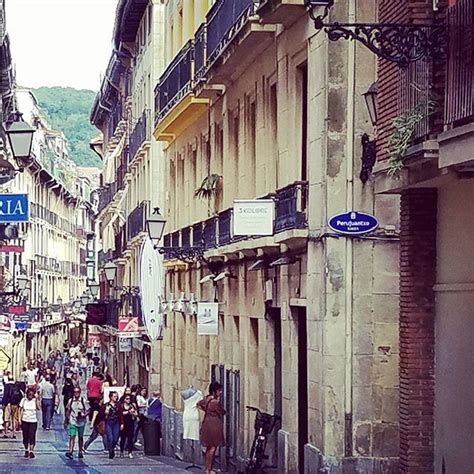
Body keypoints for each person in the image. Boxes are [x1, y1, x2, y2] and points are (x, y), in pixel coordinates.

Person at [198, 382, 226, 474]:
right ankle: (209, 469)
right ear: (215, 391)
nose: (220, 392)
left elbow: (199, 404)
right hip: (214, 425)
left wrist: (207, 410)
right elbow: (222, 412)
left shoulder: (206, 399)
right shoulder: (215, 402)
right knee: (213, 447)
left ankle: (207, 468)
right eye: (219, 390)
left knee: (208, 447)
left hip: (206, 423)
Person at [64, 387, 89, 459]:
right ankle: (70, 451)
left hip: (81, 422)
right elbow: (68, 410)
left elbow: (88, 410)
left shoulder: (83, 401)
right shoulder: (71, 401)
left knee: (80, 437)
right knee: (72, 436)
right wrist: (66, 421)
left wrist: (84, 415)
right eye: (75, 392)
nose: (76, 393)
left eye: (78, 392)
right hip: (73, 420)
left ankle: (80, 451)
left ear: (80, 392)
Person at [19, 388, 40, 459]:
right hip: (25, 420)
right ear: (27, 394)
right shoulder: (24, 400)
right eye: (29, 394)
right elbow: (20, 410)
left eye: (32, 394)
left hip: (33, 421)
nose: (30, 395)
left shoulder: (34, 401)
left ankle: (31, 451)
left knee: (32, 436)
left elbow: (39, 408)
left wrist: (37, 399)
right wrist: (19, 419)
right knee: (25, 436)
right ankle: (26, 450)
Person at [119, 393, 138, 458]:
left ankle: (130, 452)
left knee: (130, 438)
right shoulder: (121, 406)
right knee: (123, 438)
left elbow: (136, 414)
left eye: (129, 399)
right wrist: (128, 412)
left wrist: (133, 413)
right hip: (123, 424)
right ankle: (121, 451)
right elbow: (120, 413)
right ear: (124, 399)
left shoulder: (132, 405)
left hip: (130, 423)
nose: (128, 400)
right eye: (127, 399)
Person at [105, 391, 120, 459]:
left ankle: (112, 448)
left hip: (116, 422)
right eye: (114, 396)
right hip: (109, 422)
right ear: (110, 397)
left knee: (116, 438)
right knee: (110, 438)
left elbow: (121, 415)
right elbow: (101, 415)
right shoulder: (106, 405)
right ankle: (110, 451)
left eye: (116, 396)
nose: (116, 398)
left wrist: (122, 423)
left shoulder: (118, 405)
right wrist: (106, 412)